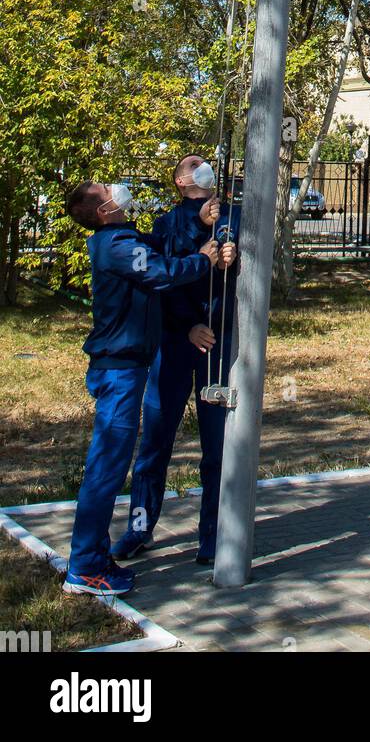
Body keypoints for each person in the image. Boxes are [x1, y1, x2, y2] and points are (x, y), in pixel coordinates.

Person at [62, 180, 218, 596]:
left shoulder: (121, 238)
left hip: (125, 369)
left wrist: (198, 225)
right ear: (103, 210)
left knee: (108, 468)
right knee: (106, 470)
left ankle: (93, 557)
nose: (118, 189)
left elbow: (162, 246)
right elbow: (163, 271)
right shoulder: (115, 245)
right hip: (120, 372)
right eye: (107, 190)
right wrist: (204, 260)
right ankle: (85, 568)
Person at [113, 155, 239, 566]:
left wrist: (233, 257)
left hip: (217, 342)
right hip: (176, 341)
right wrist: (187, 326)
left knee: (216, 444)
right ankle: (140, 526)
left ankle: (212, 534)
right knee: (156, 441)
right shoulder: (169, 222)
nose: (204, 166)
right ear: (182, 181)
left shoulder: (233, 217)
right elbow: (164, 276)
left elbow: (247, 274)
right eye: (194, 164)